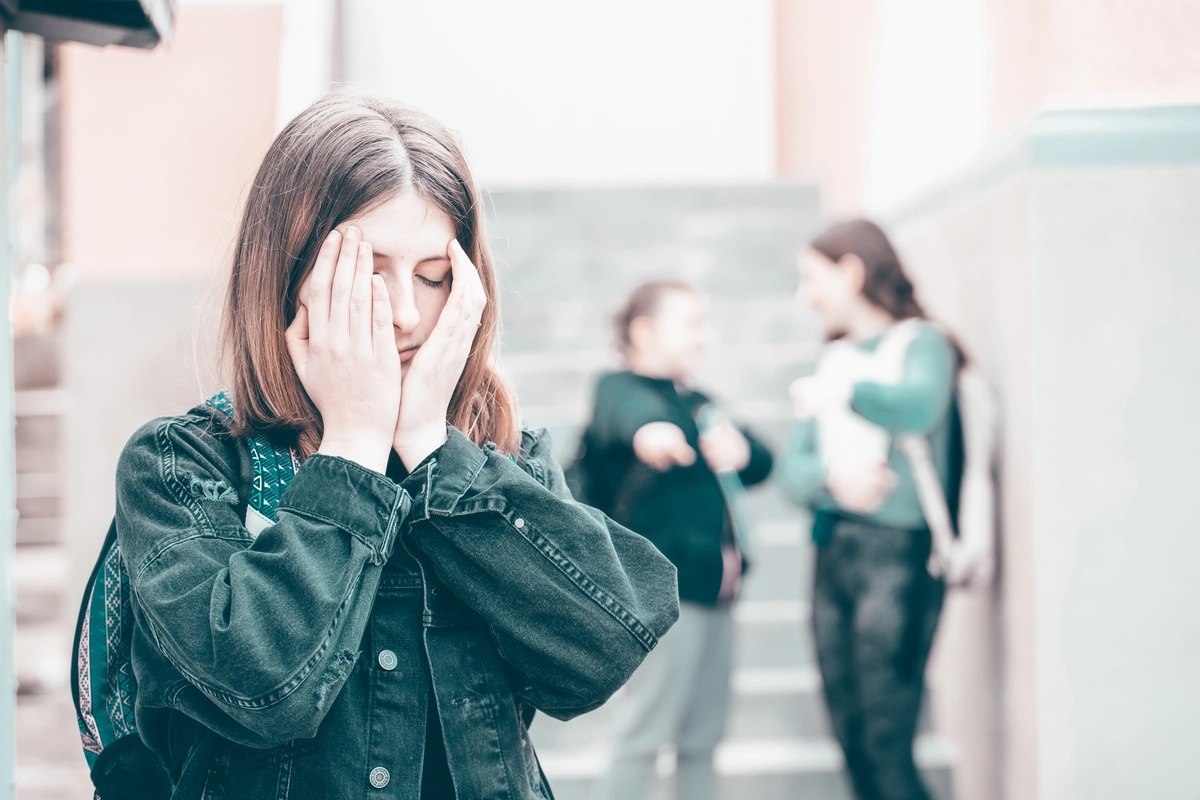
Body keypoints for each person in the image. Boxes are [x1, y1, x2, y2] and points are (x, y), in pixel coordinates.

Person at [111, 93, 680, 800]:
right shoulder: (181, 465)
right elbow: (264, 691)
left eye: (434, 277)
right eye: (368, 272)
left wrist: (426, 445)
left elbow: (601, 653)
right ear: (286, 273)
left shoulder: (494, 456)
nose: (408, 314)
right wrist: (350, 447)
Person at [779, 218, 960, 800]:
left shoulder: (923, 343)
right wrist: (836, 481)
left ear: (851, 272)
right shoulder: (832, 359)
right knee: (851, 738)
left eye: (813, 277)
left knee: (886, 741)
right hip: (833, 553)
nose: (806, 294)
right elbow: (793, 470)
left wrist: (846, 391)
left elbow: (919, 409)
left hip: (898, 559)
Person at [582, 280, 773, 800]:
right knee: (644, 734)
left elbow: (762, 459)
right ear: (643, 331)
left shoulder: (702, 402)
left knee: (702, 740)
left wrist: (741, 451)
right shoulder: (619, 388)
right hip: (662, 598)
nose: (703, 336)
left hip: (717, 592)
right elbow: (629, 418)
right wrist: (652, 435)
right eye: (690, 322)